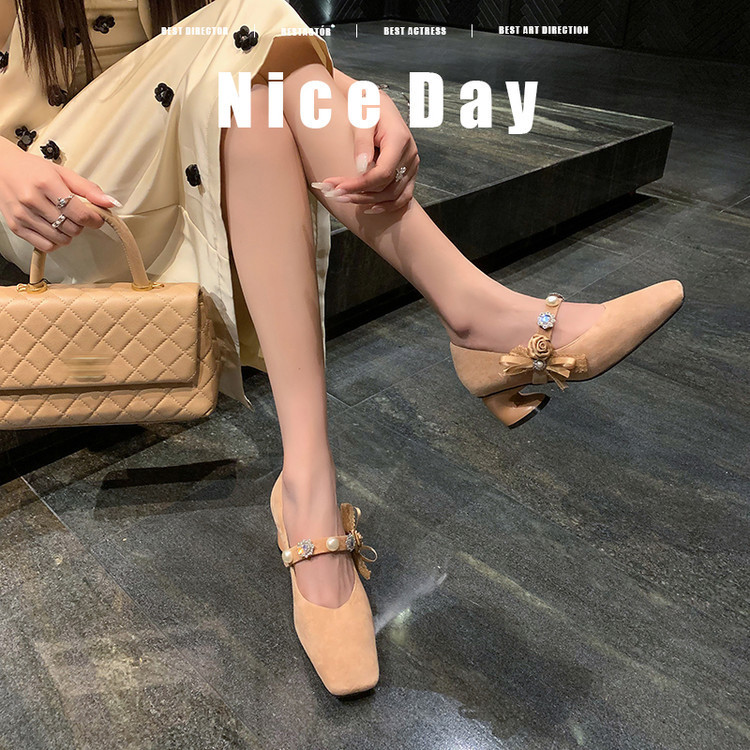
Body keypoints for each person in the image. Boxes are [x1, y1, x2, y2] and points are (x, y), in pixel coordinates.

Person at [0, 0, 683, 696]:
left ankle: (310, 489)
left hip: (168, 152)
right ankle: (478, 318)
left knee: (256, 107)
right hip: (53, 198)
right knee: (254, 22)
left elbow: (212, 52)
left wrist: (352, 96)